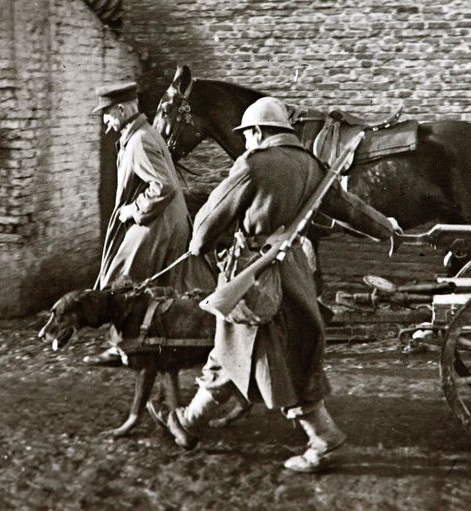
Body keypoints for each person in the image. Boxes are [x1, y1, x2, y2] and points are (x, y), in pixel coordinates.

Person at [147, 96, 402, 472]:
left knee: (274, 358)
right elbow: (348, 207)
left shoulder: (253, 164)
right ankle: (189, 422)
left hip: (255, 275)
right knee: (233, 350)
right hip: (293, 271)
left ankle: (325, 440)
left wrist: (200, 249)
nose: (246, 142)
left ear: (257, 132)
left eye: (247, 135)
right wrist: (386, 227)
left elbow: (204, 226)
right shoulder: (312, 165)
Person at [85, 81, 216, 366]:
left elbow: (163, 186)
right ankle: (157, 342)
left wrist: (133, 210)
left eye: (106, 113)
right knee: (169, 286)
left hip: (158, 223)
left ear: (121, 109)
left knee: (122, 278)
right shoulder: (139, 134)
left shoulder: (141, 140)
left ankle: (122, 345)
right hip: (165, 221)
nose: (105, 120)